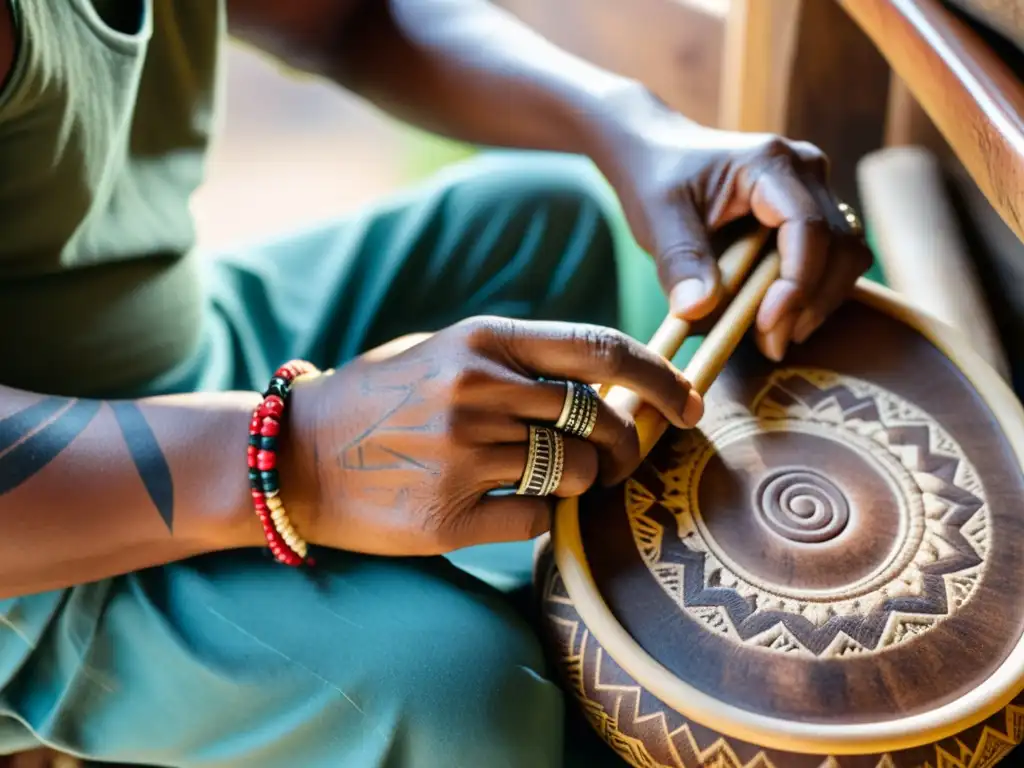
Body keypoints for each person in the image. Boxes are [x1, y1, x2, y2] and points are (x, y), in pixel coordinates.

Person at [0, 1, 872, 766]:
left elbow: (349, 15)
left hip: (175, 344)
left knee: (546, 225)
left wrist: (628, 124)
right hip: (36, 543)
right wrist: (298, 453)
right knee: (451, 687)